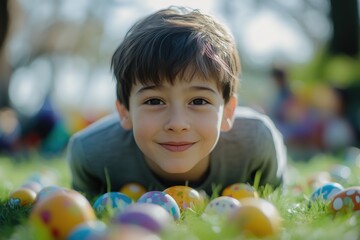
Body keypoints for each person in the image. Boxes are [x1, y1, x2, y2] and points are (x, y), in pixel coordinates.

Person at [67, 6, 287, 199]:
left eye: (199, 101)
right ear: (125, 112)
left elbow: (274, 201)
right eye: (154, 101)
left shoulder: (256, 143)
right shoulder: (92, 153)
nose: (178, 123)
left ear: (228, 112)